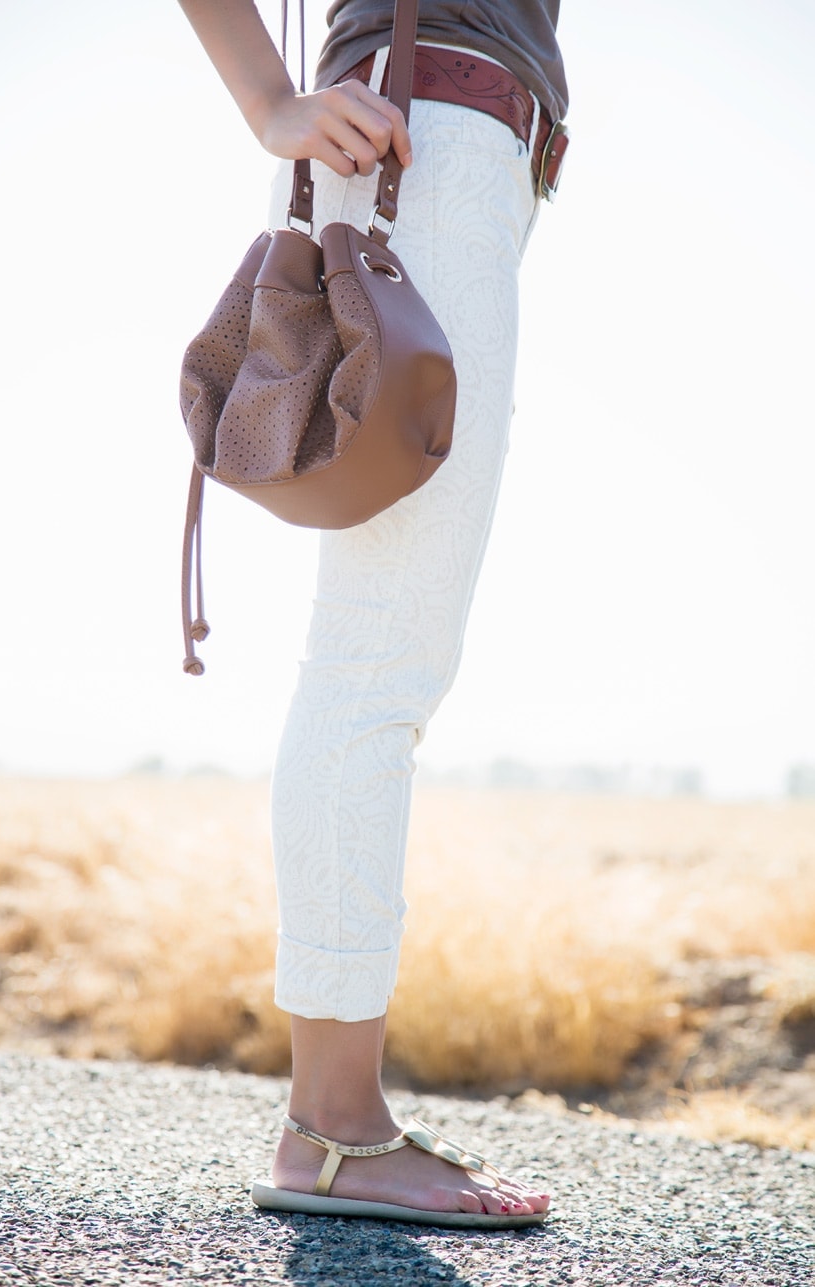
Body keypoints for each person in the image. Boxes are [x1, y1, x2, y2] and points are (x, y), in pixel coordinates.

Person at [177, 0, 568, 1229]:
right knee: (378, 661)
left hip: (459, 156)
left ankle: (339, 1122)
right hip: (429, 142)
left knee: (379, 656)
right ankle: (334, 1129)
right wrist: (269, 105)